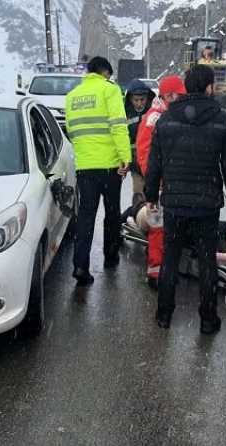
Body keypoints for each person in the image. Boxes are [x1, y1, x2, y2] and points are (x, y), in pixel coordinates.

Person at [145, 64, 226, 334]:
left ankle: (164, 315)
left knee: (170, 258)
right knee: (207, 261)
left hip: (175, 202)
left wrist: (151, 195)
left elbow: (155, 162)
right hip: (207, 203)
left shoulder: (166, 119)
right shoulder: (222, 119)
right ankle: (208, 319)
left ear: (187, 87)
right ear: (209, 87)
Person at [65, 56, 131, 286]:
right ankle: (110, 258)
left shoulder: (72, 96)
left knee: (86, 216)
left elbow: (72, 131)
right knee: (112, 213)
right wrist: (125, 157)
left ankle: (80, 264)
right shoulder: (109, 90)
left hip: (85, 167)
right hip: (110, 166)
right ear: (105, 72)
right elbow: (118, 126)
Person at [135, 75, 186, 287]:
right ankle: (156, 273)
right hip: (162, 183)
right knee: (158, 226)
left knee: (167, 226)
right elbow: (145, 152)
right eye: (180, 95)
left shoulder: (169, 113)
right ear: (170, 95)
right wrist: (156, 180)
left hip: (173, 181)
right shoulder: (155, 118)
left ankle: (165, 267)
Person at [124, 79, 155, 207]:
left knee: (152, 191)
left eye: (142, 100)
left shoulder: (153, 111)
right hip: (135, 162)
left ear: (147, 98)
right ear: (130, 99)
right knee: (138, 192)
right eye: (136, 100)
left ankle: (153, 220)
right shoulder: (124, 112)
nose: (139, 103)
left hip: (151, 160)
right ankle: (139, 216)